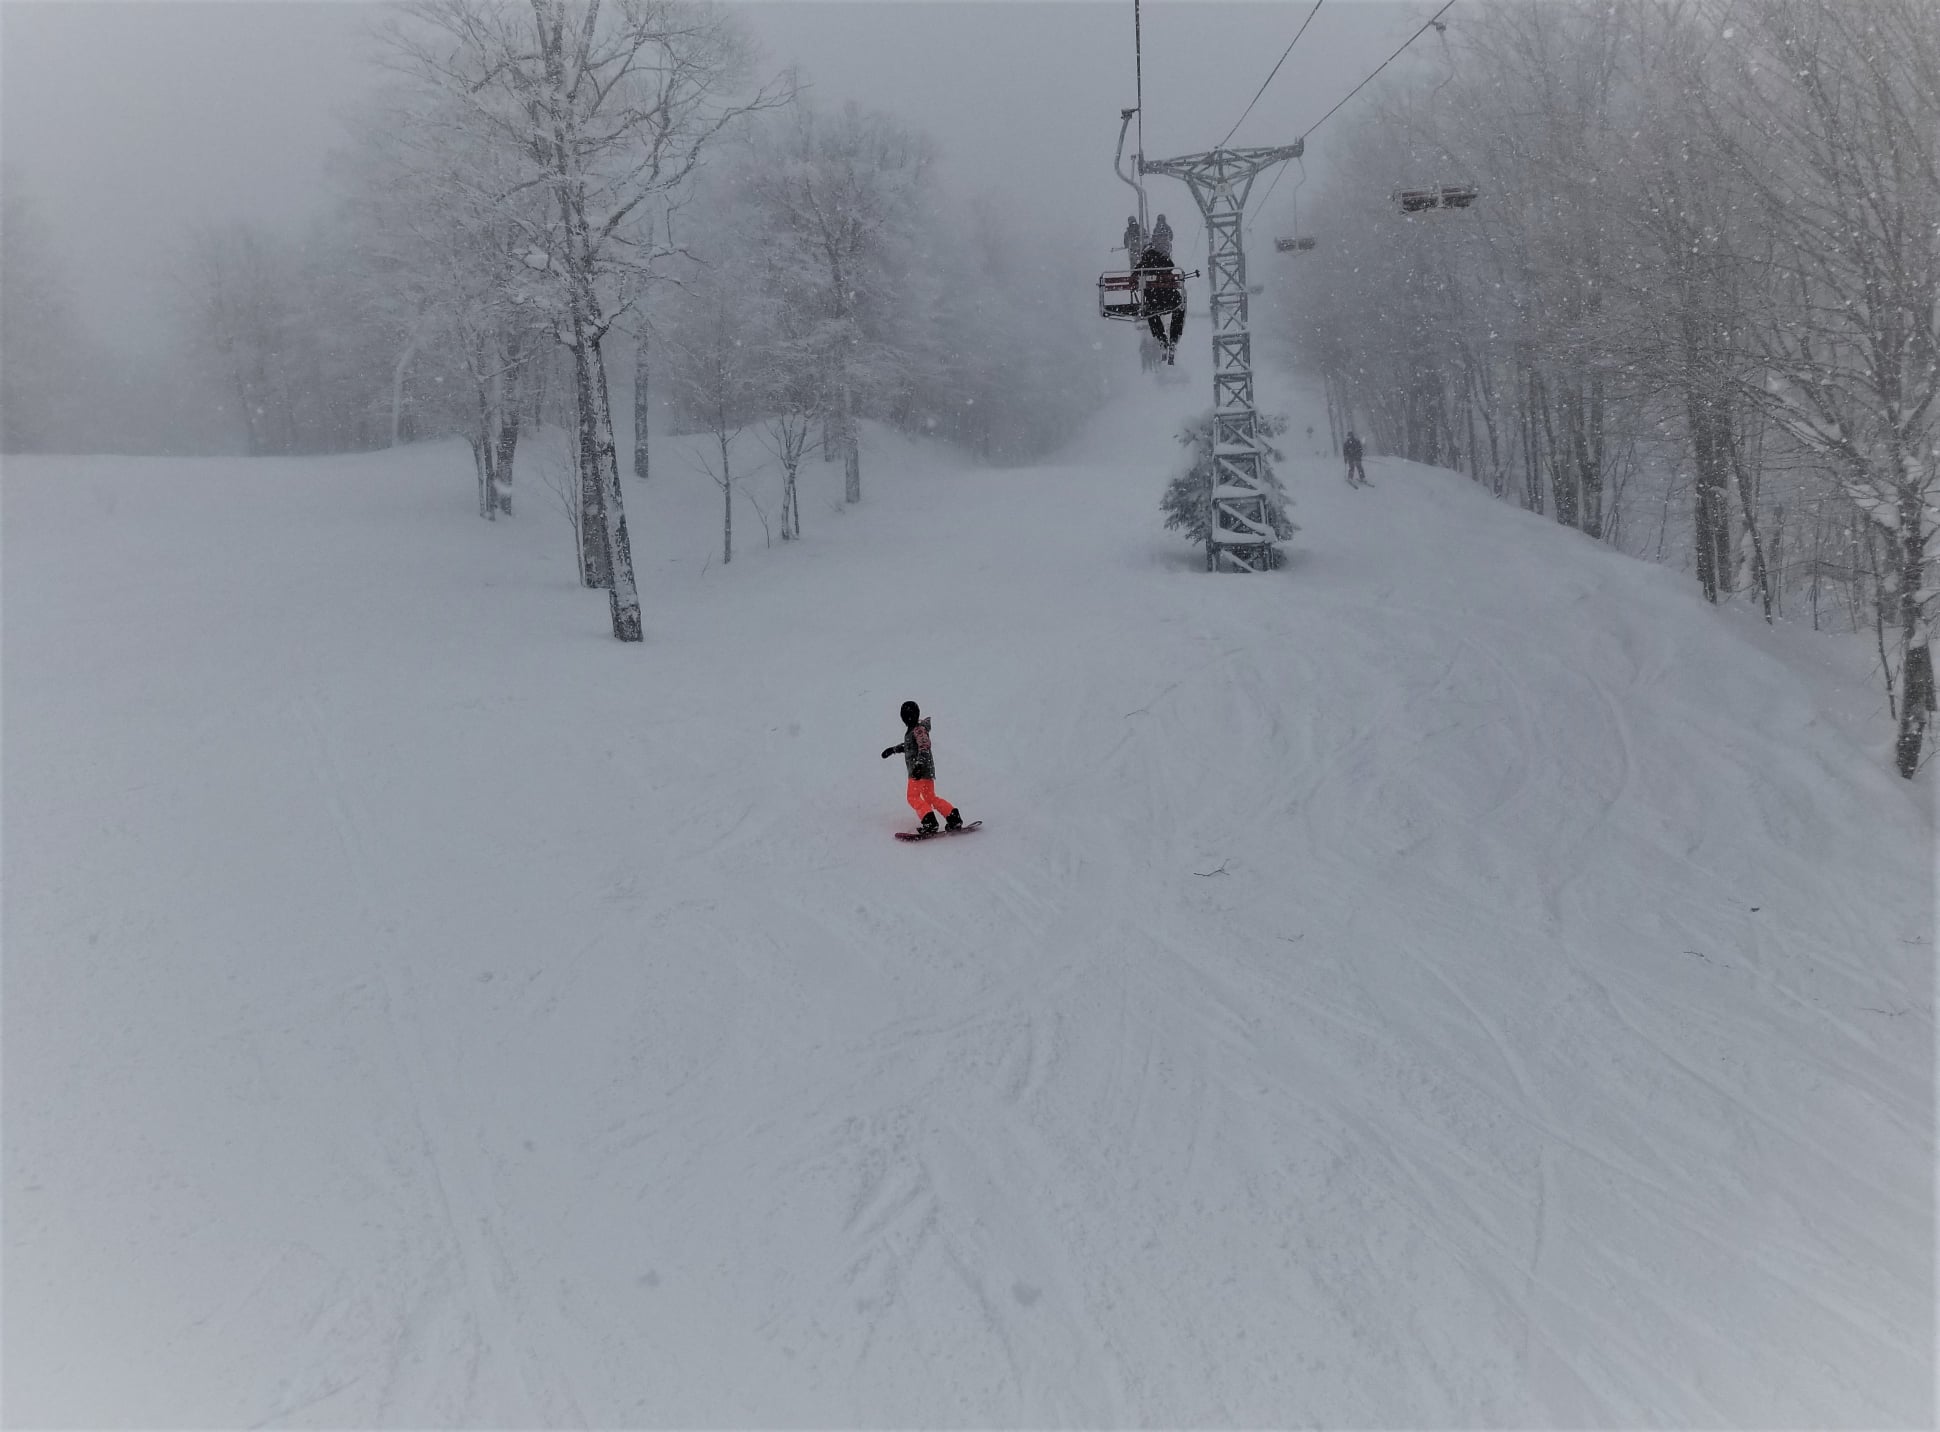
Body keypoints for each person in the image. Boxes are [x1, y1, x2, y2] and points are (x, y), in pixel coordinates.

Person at [881, 700, 965, 833]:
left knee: (912, 797)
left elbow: (924, 746)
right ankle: (953, 817)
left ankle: (930, 822)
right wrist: (893, 749)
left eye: (910, 716)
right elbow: (909, 747)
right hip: (925, 771)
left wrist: (919, 765)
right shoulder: (913, 731)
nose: (908, 719)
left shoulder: (918, 730)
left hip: (917, 771)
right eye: (906, 716)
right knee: (930, 797)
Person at [1134, 214, 1184, 361]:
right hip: (1168, 297)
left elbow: (1136, 273)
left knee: (1150, 313)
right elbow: (1171, 266)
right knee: (1179, 308)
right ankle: (1173, 338)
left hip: (1153, 299)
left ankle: (1162, 338)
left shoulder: (1145, 260)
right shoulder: (1164, 258)